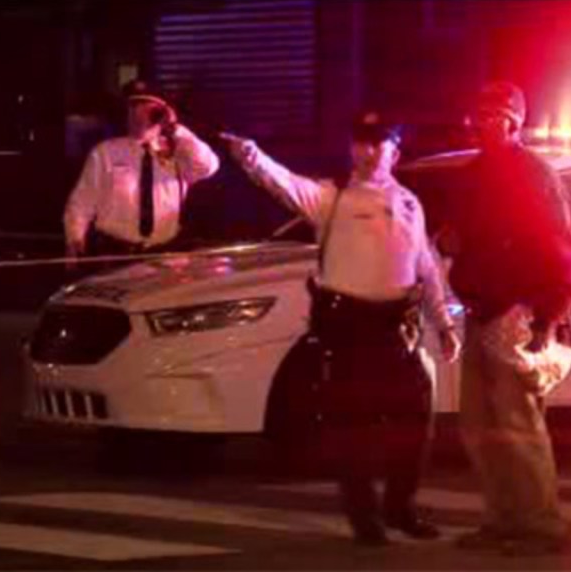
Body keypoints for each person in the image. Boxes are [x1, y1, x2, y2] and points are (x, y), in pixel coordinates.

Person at [222, 111, 461, 547]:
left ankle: (400, 508)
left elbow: (426, 267)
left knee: (414, 422)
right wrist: (252, 156)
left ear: (395, 152)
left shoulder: (410, 202)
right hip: (349, 327)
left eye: (377, 143)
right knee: (355, 429)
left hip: (397, 329)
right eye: (359, 143)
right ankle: (365, 519)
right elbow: (283, 183)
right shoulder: (332, 197)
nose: (366, 152)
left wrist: (443, 323)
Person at [440, 81, 571, 556]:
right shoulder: (472, 174)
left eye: (493, 115)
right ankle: (502, 520)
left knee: (520, 427)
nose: (481, 124)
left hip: (518, 312)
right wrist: (450, 241)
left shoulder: (534, 174)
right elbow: (461, 235)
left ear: (514, 121)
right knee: (481, 426)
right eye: (478, 115)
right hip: (480, 311)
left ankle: (541, 526)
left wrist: (549, 318)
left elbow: (559, 248)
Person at [63, 79, 220, 267]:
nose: (137, 113)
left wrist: (175, 129)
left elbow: (207, 167)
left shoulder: (179, 151)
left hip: (164, 257)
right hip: (115, 256)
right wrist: (75, 238)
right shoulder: (106, 152)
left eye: (146, 107)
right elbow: (82, 201)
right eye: (132, 106)